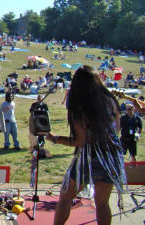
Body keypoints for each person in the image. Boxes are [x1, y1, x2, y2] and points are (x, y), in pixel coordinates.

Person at [46, 66, 126, 225]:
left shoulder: (80, 107)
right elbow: (117, 129)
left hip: (89, 158)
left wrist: (55, 138)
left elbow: (79, 141)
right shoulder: (110, 100)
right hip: (111, 156)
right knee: (102, 203)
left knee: (65, 197)